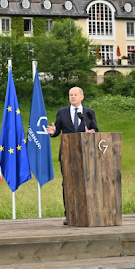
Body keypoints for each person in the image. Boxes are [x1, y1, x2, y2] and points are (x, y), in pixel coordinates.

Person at [46, 86, 99, 225]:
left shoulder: (89, 113)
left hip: (85, 154)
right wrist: (53, 131)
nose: (73, 97)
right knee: (68, 184)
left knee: (86, 183)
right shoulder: (62, 112)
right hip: (67, 155)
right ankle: (69, 215)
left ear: (82, 96)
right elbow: (57, 131)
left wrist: (91, 133)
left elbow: (96, 130)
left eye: (75, 94)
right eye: (70, 95)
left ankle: (87, 213)